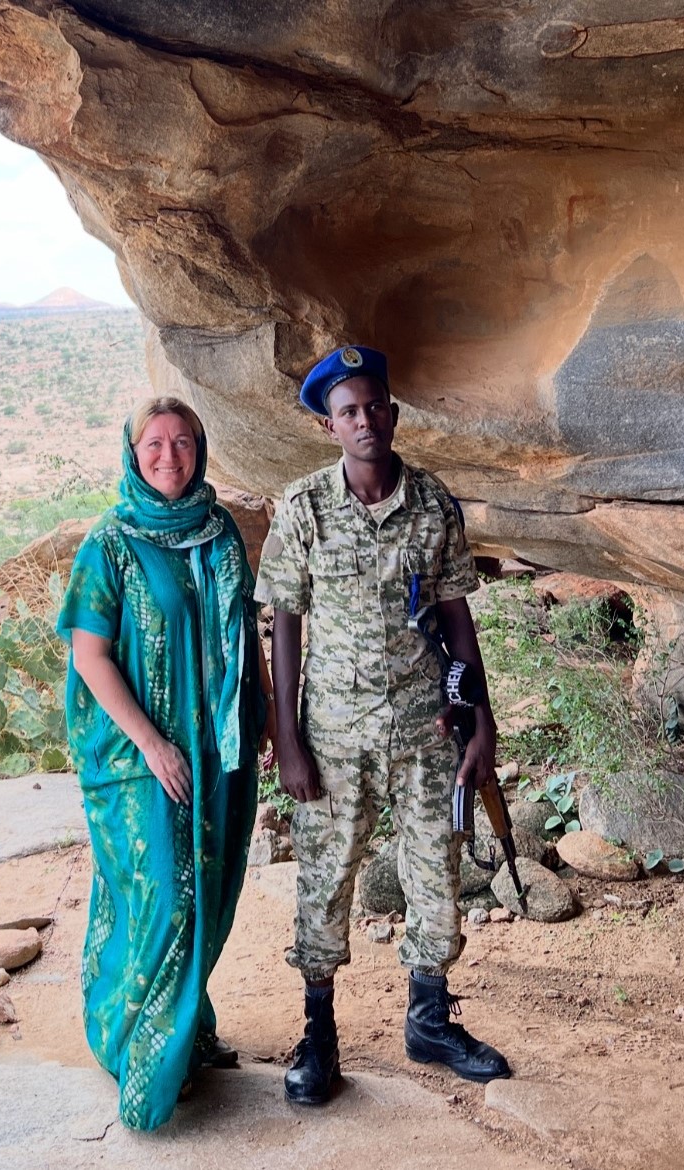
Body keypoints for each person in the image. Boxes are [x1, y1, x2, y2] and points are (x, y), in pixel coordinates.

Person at [254, 344, 511, 1106]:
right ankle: (319, 1035)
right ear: (329, 427)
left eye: (374, 407)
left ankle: (429, 1018)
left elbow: (457, 620)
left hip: (426, 728)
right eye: (347, 412)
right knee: (327, 878)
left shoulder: (433, 504)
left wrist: (481, 722)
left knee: (436, 865)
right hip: (331, 736)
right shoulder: (302, 508)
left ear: (393, 414)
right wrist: (288, 738)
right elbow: (285, 624)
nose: (364, 421)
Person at [57, 396, 270, 1131]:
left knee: (209, 888)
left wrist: (261, 722)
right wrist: (153, 745)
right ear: (132, 452)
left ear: (201, 449)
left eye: (183, 441)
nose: (169, 455)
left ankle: (184, 1030)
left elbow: (243, 635)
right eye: (154, 443)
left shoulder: (221, 533)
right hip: (134, 755)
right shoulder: (110, 542)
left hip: (217, 750)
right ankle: (136, 1050)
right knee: (161, 899)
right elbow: (89, 656)